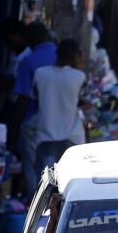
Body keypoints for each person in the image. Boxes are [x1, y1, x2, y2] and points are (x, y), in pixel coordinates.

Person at [9, 22, 57, 193]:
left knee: (31, 165)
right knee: (51, 165)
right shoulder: (62, 55)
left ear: (30, 40)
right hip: (59, 122)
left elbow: (23, 99)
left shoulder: (29, 61)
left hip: (34, 120)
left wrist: (14, 129)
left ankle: (34, 206)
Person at [33, 39, 88, 174]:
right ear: (76, 57)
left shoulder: (40, 74)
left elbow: (36, 100)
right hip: (73, 140)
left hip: (46, 138)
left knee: (46, 187)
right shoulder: (79, 77)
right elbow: (84, 102)